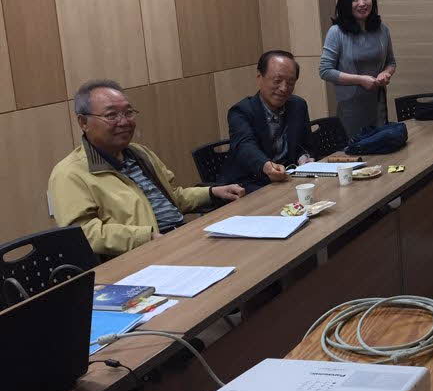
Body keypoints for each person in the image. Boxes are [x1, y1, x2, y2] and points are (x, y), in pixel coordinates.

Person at [49, 80, 245, 257]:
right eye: (111, 115)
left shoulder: (139, 153)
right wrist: (145, 237)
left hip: (179, 240)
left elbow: (174, 198)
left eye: (128, 113)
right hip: (140, 257)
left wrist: (212, 192)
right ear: (83, 122)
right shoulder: (69, 174)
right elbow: (85, 234)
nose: (124, 122)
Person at [217, 50, 316, 192]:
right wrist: (266, 166)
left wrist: (305, 157)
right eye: (277, 81)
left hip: (288, 181)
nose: (284, 88)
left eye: (290, 82)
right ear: (259, 78)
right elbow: (245, 147)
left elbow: (306, 144)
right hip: (249, 184)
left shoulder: (298, 105)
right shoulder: (241, 111)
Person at [319, 0, 397, 139]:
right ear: (346, 4)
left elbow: (391, 62)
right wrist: (360, 80)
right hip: (350, 108)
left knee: (381, 146)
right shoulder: (337, 32)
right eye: (355, 0)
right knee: (357, 148)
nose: (362, 3)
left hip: (378, 104)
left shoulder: (382, 29)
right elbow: (325, 71)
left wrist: (386, 73)